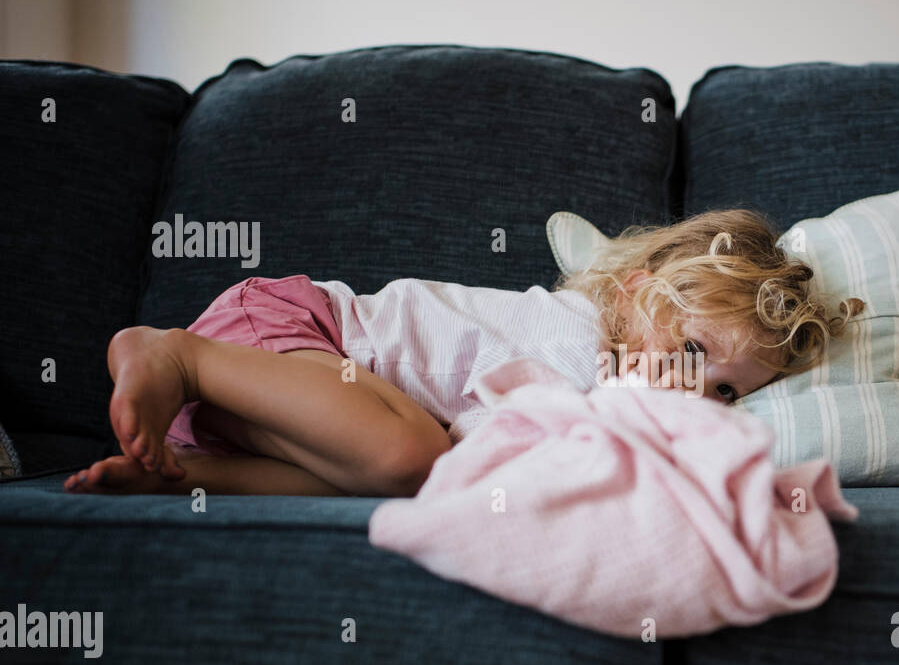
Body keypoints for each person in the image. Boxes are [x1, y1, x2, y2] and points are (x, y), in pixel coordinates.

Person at [64, 210, 846, 497]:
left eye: (725, 393)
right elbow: (481, 451)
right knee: (412, 458)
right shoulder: (570, 342)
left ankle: (184, 474)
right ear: (639, 293)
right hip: (287, 334)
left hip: (267, 417)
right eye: (691, 349)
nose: (693, 387)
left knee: (383, 474)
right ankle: (173, 355)